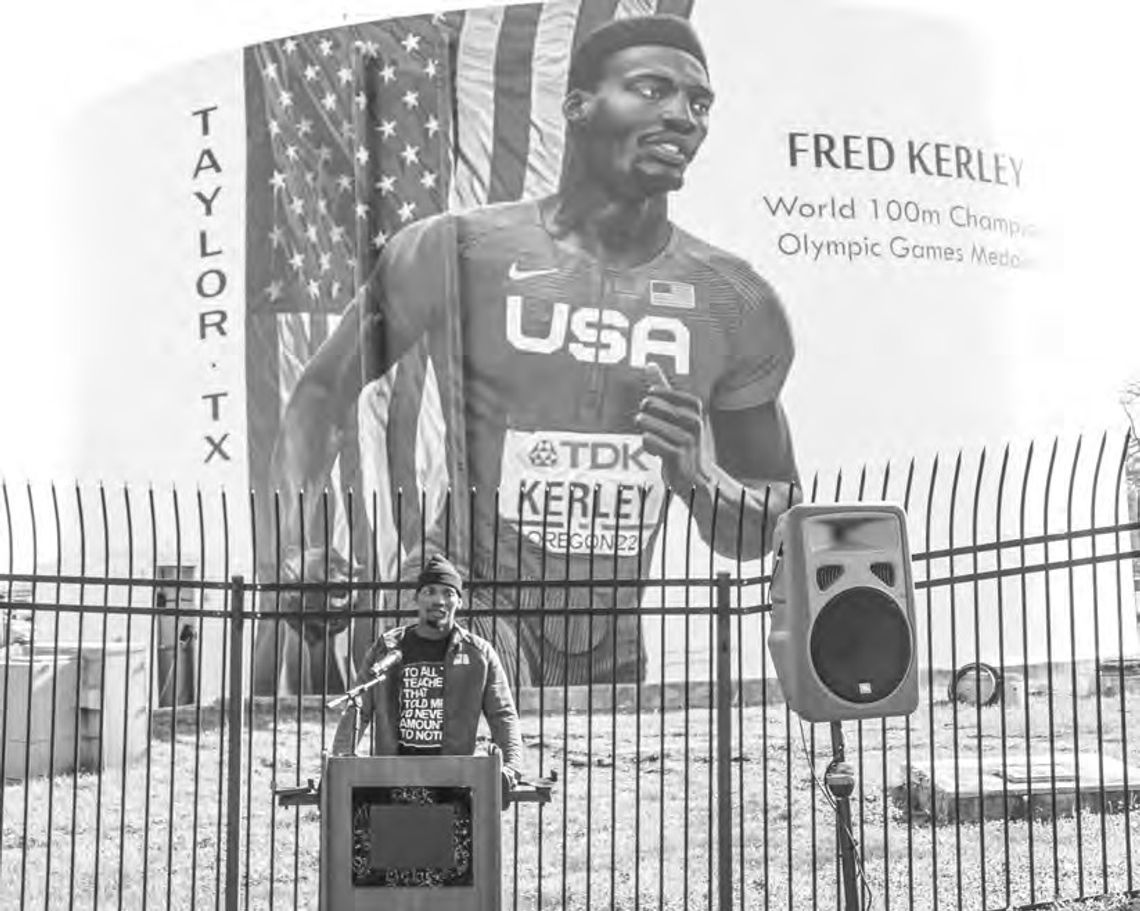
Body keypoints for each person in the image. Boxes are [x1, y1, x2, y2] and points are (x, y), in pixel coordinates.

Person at [270, 14, 801, 687]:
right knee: (463, 736)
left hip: (609, 642)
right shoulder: (457, 248)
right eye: (651, 89)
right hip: (466, 603)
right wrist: (295, 550)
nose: (682, 117)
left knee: (595, 794)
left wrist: (700, 480)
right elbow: (320, 392)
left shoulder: (734, 301)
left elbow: (771, 527)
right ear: (577, 105)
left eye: (698, 104)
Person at [330, 553, 524, 786]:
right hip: (394, 776)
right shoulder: (386, 649)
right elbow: (358, 708)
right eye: (429, 591)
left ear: (459, 602)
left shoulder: (478, 654)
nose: (438, 600)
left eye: (448, 593)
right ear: (417, 598)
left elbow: (502, 714)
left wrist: (511, 767)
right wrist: (341, 760)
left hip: (453, 778)